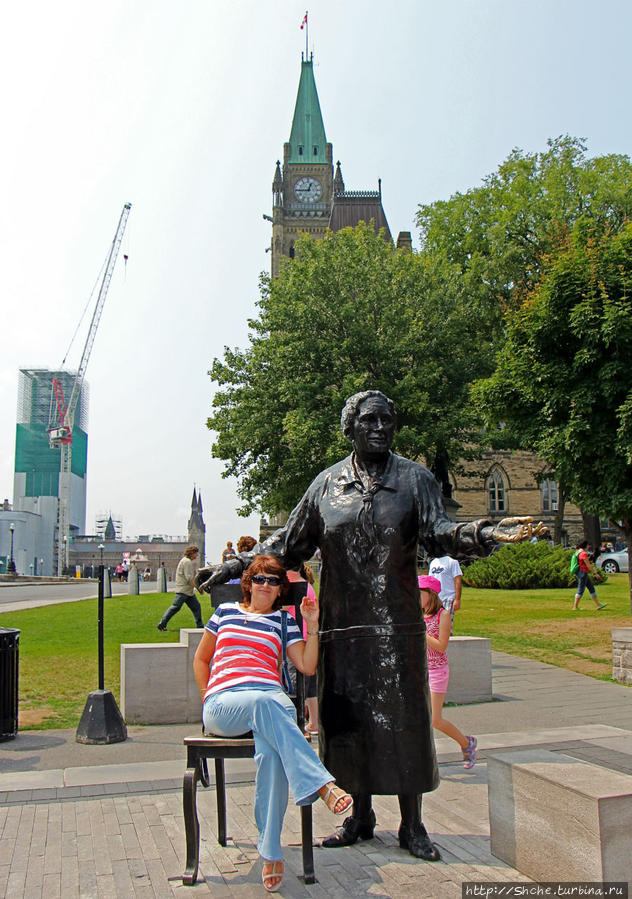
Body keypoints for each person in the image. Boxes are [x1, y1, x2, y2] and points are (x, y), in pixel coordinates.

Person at [199, 390, 545, 861]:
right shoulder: (325, 486)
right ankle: (359, 817)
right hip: (341, 631)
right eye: (370, 420)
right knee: (347, 727)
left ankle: (412, 823)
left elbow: (440, 531)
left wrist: (483, 534)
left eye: (388, 420)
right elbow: (287, 543)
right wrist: (237, 565)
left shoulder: (414, 479)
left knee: (406, 724)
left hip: (397, 629)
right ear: (350, 428)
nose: (381, 427)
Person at [193, 554, 352, 893]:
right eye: (260, 578)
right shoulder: (225, 613)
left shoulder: (284, 622)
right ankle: (321, 784)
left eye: (274, 580)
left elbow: (307, 666)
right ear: (247, 583)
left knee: (272, 756)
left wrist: (312, 623)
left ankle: (271, 853)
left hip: (269, 705)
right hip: (226, 705)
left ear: (281, 589)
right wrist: (207, 695)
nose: (266, 585)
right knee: (269, 703)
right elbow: (201, 659)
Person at [419, 575, 476, 768]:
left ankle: (467, 743)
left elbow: (441, 646)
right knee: (420, 719)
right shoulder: (418, 614)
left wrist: (422, 632)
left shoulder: (442, 615)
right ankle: (425, 760)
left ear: (431, 594)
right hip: (420, 671)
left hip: (436, 671)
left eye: (419, 593)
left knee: (435, 719)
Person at [286, 563, 319, 739]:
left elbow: (282, 608)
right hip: (309, 639)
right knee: (310, 685)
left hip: (297, 639)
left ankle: (299, 723)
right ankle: (314, 721)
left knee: (296, 683)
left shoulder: (295, 587)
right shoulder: (307, 585)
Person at [157, 545, 203, 631]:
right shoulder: (187, 562)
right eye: (196, 553)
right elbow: (189, 578)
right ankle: (162, 623)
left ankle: (200, 626)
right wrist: (199, 588)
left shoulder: (185, 561)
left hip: (187, 591)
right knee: (175, 607)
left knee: (196, 607)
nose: (197, 556)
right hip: (183, 591)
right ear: (192, 553)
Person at [427, 554, 463, 628]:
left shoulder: (452, 561)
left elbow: (458, 580)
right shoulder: (433, 562)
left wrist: (457, 599)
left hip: (448, 598)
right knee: (434, 626)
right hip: (436, 599)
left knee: (445, 625)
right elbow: (430, 581)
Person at [573, 539, 607, 611]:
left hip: (582, 572)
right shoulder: (583, 554)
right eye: (588, 545)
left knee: (591, 588)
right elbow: (588, 565)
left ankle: (598, 604)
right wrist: (595, 573)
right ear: (585, 546)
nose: (589, 546)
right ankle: (575, 607)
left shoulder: (578, 552)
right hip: (582, 573)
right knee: (580, 590)